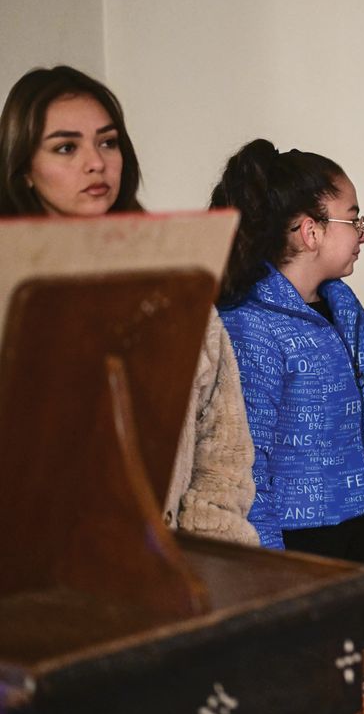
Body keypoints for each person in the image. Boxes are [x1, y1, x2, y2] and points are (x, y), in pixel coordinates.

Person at [0, 65, 259, 545]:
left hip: (164, 568)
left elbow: (223, 453)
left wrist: (205, 560)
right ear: (24, 171)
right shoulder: (11, 292)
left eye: (108, 141)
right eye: (65, 147)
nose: (95, 162)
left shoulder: (175, 284)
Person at [212, 139, 364, 634]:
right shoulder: (251, 327)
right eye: (353, 219)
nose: (363, 233)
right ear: (311, 232)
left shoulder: (345, 306)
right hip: (295, 547)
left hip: (351, 536)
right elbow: (248, 467)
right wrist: (270, 574)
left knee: (363, 673)